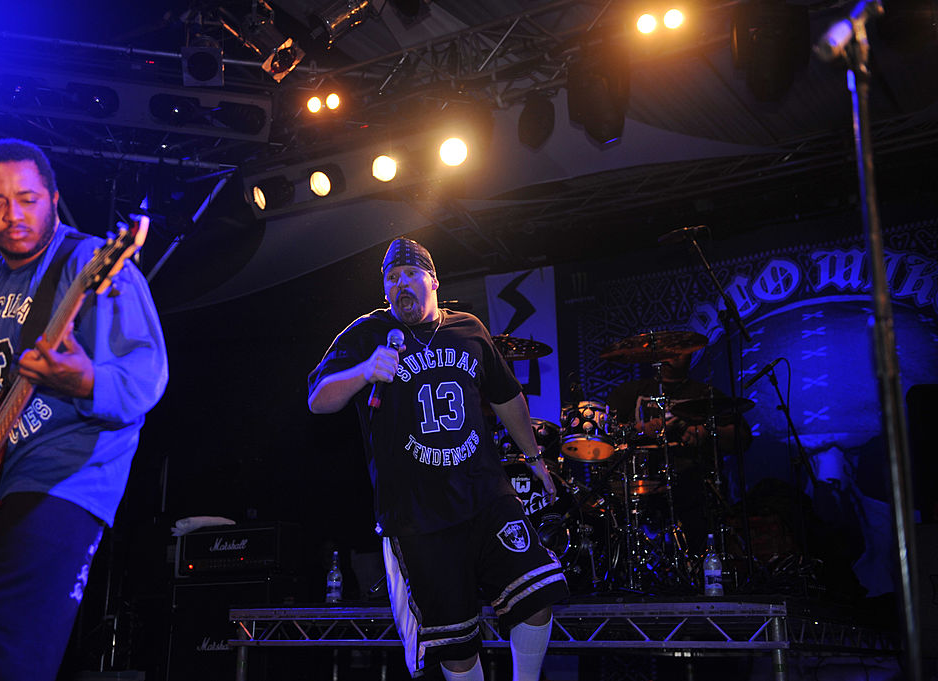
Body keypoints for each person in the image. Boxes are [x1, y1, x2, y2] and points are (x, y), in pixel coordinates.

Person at [0, 138, 168, 681]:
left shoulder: (94, 263)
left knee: (5, 647)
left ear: (55, 198)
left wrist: (84, 380)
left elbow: (145, 378)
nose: (14, 215)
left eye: (28, 198)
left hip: (66, 479)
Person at [308, 237, 569, 681]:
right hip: (417, 515)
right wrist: (364, 370)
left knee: (537, 594)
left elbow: (506, 397)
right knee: (455, 643)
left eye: (410, 274)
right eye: (392, 278)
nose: (401, 284)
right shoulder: (366, 334)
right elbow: (319, 399)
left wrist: (534, 458)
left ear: (433, 280)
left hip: (485, 494)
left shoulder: (467, 328)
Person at [605, 351, 752, 559]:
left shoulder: (705, 393)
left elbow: (742, 439)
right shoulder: (630, 392)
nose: (671, 357)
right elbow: (604, 432)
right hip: (640, 489)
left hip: (694, 487)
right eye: (665, 352)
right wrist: (639, 429)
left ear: (691, 356)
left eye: (678, 352)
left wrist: (707, 431)